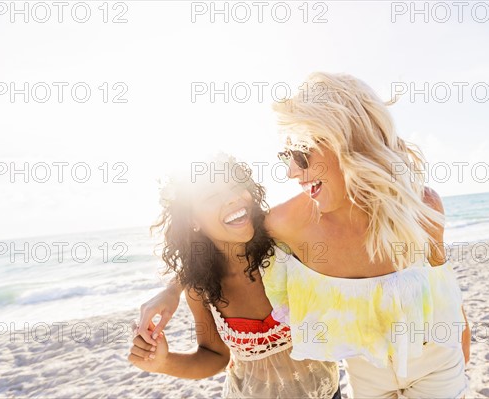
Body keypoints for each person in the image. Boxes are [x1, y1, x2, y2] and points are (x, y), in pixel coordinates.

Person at [137, 73, 471, 398]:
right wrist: (172, 291)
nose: (291, 171)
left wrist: (459, 356)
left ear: (339, 140)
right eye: (287, 157)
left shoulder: (418, 207)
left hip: (414, 370)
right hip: (365, 375)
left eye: (300, 155)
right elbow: (219, 252)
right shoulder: (286, 225)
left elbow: (444, 287)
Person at [128, 155, 341, 399]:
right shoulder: (201, 289)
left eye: (235, 185)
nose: (232, 197)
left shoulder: (286, 244)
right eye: (211, 196)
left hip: (326, 391)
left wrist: (171, 290)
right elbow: (215, 356)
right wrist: (163, 363)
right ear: (193, 221)